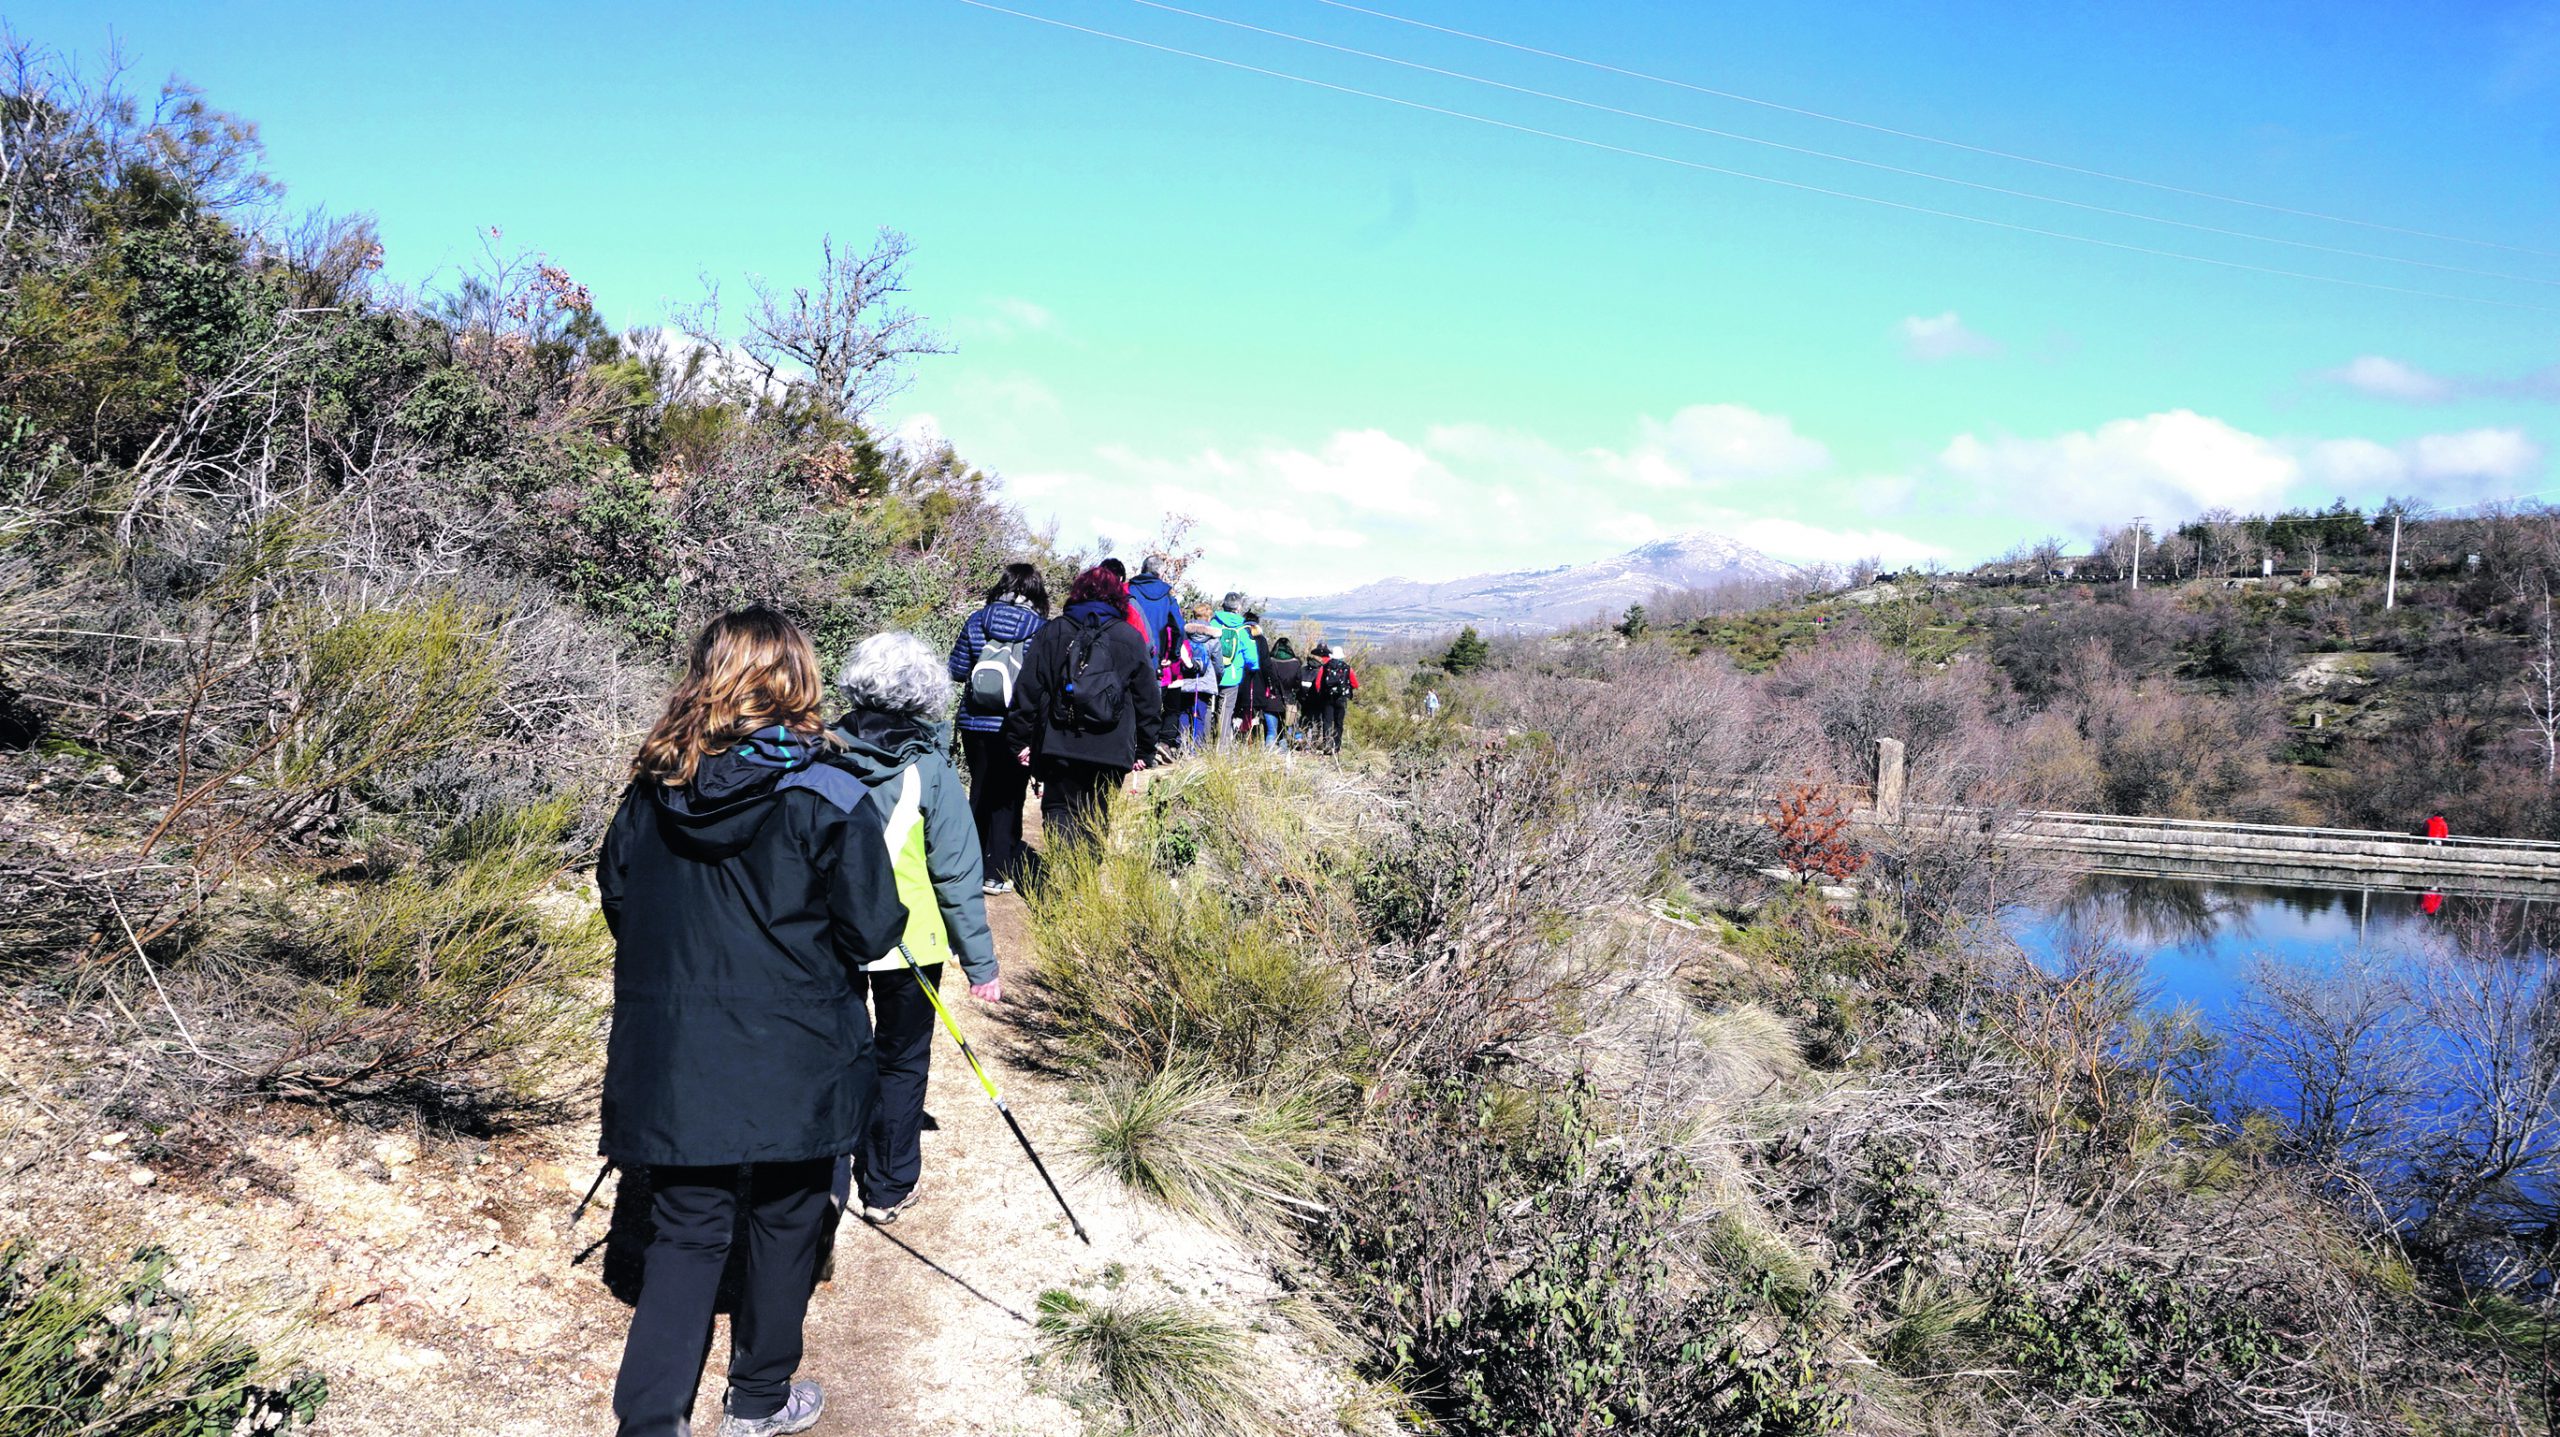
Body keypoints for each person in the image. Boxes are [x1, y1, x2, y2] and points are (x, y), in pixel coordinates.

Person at [598, 606, 908, 1437]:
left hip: (676, 1053)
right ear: (800, 679)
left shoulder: (655, 783)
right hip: (798, 1052)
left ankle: (650, 1421)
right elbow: (874, 931)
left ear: (708, 671)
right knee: (787, 1215)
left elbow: (621, 899)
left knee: (687, 1229)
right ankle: (759, 1400)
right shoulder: (830, 790)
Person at [832, 633, 1005, 1227]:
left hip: (833, 936)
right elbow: (956, 870)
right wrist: (980, 963)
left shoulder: (822, 751)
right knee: (902, 1060)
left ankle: (823, 1177)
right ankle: (886, 1186)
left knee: (835, 1052)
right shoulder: (929, 768)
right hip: (912, 942)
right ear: (924, 694)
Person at [1003, 566, 1162, 853]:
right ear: (1118, 598)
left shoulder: (1054, 631)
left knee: (1058, 808)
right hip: (1110, 748)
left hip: (1058, 742)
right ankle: (1080, 883)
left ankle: (1063, 870)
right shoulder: (1130, 638)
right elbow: (1148, 700)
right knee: (1096, 813)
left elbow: (1028, 688)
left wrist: (1019, 739)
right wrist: (1145, 749)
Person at [946, 563, 1047, 894]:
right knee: (1008, 795)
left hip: (975, 721)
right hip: (1014, 725)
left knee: (979, 790)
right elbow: (1038, 684)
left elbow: (958, 670)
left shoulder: (978, 619)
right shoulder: (1040, 628)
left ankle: (969, 868)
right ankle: (997, 872)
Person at [1129, 556, 1195, 756]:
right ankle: (1145, 751)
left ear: (1142, 569)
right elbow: (1179, 627)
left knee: (1128, 701)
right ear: (1161, 573)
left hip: (1127, 652)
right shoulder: (1166, 596)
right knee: (1150, 704)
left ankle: (1128, 748)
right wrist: (1173, 654)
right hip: (1153, 656)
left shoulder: (1128, 590)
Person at [1208, 593, 1260, 748]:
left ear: (1223, 605)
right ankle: (1221, 746)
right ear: (1238, 608)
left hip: (1212, 674)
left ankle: (1203, 743)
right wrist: (1252, 668)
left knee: (1208, 710)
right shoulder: (1242, 629)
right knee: (1225, 711)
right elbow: (1252, 658)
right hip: (1231, 676)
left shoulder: (1213, 624)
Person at [1305, 642, 1359, 754]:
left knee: (1327, 722)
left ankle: (1327, 746)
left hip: (1327, 699)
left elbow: (1318, 684)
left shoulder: (1324, 668)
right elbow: (1355, 684)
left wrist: (1322, 693)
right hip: (1341, 699)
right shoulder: (1347, 668)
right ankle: (1337, 746)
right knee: (1339, 723)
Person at [1258, 636, 1302, 746]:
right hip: (1288, 703)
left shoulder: (1269, 662)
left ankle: (1269, 757)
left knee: (1271, 733)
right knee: (1284, 733)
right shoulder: (1295, 664)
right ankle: (1282, 758)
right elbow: (1298, 684)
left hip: (1270, 701)